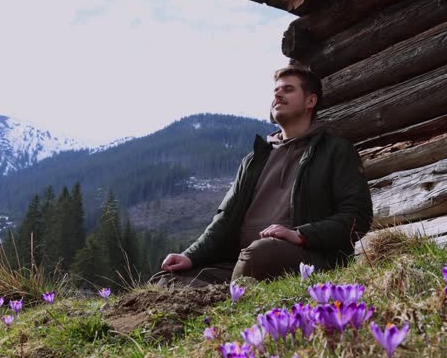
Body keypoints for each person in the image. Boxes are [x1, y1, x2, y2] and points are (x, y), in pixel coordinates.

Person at [149, 65, 373, 288]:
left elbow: (357, 216)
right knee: (166, 279)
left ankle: (229, 297)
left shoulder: (336, 151)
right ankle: (227, 292)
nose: (277, 94)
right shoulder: (254, 160)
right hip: (241, 261)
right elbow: (224, 220)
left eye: (288, 89)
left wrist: (301, 235)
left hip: (308, 259)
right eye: (276, 90)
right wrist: (190, 256)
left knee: (260, 253)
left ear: (310, 101)